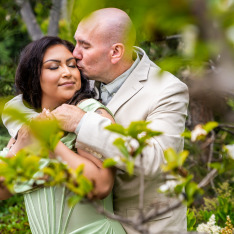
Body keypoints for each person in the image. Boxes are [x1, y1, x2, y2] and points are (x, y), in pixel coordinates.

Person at [3, 8, 189, 233]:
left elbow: (159, 160)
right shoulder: (79, 80)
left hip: (144, 225)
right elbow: (21, 103)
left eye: (85, 45)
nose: (75, 54)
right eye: (75, 42)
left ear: (115, 52)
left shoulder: (166, 90)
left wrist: (82, 124)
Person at [0, 36, 126, 234]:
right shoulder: (27, 127)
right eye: (53, 67)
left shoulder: (91, 113)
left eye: (72, 65)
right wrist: (18, 148)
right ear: (33, 74)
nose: (67, 73)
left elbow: (100, 186)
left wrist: (49, 143)